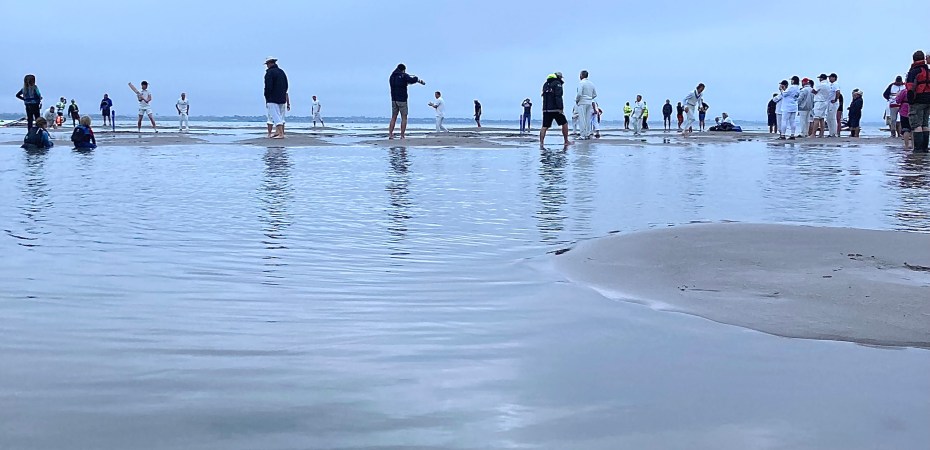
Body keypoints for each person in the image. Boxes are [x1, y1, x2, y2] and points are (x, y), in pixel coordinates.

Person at [388, 63, 425, 140]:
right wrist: (416, 78)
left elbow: (402, 83)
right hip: (402, 100)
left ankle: (391, 134)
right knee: (404, 117)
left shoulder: (392, 76)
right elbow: (411, 80)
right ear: (403, 70)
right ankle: (402, 135)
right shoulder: (403, 75)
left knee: (393, 117)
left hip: (394, 99)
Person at [906, 50, 930, 152]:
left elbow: (910, 87)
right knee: (925, 124)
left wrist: (910, 100)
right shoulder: (928, 71)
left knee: (916, 125)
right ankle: (925, 149)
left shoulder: (914, 71)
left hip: (918, 100)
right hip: (928, 100)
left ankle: (918, 150)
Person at [539, 72, 570, 147]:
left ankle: (541, 143)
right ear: (559, 77)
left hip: (546, 109)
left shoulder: (546, 84)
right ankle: (566, 141)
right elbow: (558, 96)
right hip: (555, 109)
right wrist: (561, 108)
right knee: (564, 123)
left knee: (544, 126)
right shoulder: (557, 83)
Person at [263, 57, 289, 139]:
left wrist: (266, 96)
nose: (267, 66)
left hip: (272, 98)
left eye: (267, 64)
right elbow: (286, 85)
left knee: (275, 116)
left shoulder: (269, 73)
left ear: (270, 63)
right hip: (281, 97)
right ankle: (278, 132)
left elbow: (268, 86)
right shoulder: (282, 72)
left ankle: (281, 133)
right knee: (280, 115)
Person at [574, 70, 597, 139]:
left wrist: (577, 100)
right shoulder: (591, 84)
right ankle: (587, 133)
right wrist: (589, 98)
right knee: (587, 119)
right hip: (589, 102)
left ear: (582, 75)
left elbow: (579, 93)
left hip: (582, 102)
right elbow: (595, 94)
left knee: (582, 119)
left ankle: (583, 135)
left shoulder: (581, 83)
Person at [812, 74, 830, 138]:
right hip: (825, 102)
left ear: (821, 78)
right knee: (822, 118)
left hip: (819, 101)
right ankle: (821, 133)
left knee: (816, 118)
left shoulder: (820, 84)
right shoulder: (828, 85)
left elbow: (814, 91)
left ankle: (813, 134)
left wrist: (814, 92)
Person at [826, 73, 841, 137]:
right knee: (828, 118)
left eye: (830, 77)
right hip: (829, 103)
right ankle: (831, 132)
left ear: (834, 78)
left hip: (833, 103)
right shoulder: (830, 85)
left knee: (832, 118)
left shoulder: (835, 84)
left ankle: (834, 133)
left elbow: (838, 92)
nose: (829, 78)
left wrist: (835, 99)